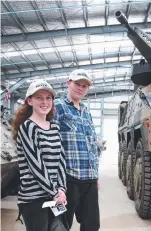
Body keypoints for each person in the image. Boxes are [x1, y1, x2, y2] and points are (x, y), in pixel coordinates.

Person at [12, 80, 68, 231]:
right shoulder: (27, 127)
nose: (45, 102)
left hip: (55, 197)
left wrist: (62, 189)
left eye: (48, 98)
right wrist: (55, 192)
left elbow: (61, 161)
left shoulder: (55, 126)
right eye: (39, 98)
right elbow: (36, 165)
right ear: (29, 100)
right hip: (34, 199)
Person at [53, 69, 101, 231]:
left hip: (89, 179)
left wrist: (96, 175)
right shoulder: (57, 107)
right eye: (77, 84)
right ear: (68, 83)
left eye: (85, 86)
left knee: (92, 225)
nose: (81, 88)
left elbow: (92, 145)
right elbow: (49, 144)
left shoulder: (86, 111)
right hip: (68, 179)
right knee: (60, 222)